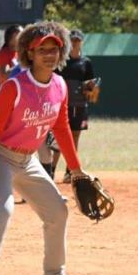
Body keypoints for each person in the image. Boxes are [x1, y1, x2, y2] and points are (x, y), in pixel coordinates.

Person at [0, 21, 90, 275]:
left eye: (54, 49)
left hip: (27, 159)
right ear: (29, 53)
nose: (49, 54)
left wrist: (76, 169)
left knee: (58, 211)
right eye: (42, 49)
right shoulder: (15, 86)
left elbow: (60, 127)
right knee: (2, 210)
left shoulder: (59, 85)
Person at [56, 29, 98, 183]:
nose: (74, 43)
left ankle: (70, 172)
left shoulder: (86, 62)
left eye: (77, 40)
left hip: (79, 104)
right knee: (57, 139)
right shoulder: (61, 61)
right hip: (62, 104)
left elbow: (90, 83)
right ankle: (51, 170)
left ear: (81, 42)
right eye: (72, 40)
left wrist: (91, 88)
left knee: (75, 138)